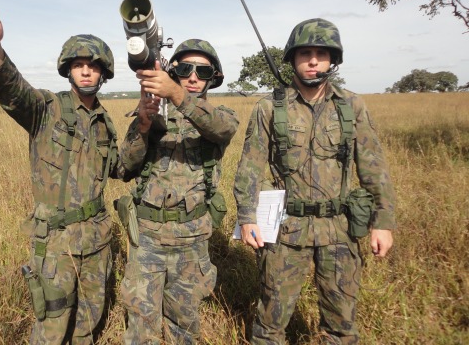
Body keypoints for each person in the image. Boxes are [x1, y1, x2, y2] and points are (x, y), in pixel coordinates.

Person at [233, 18, 396, 344]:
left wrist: (383, 222)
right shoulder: (269, 107)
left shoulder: (351, 106)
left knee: (341, 325)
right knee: (269, 323)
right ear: (292, 59)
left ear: (332, 60)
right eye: (305, 53)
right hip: (286, 230)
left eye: (321, 54)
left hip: (338, 230)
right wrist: (246, 217)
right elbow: (249, 167)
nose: (312, 60)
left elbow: (374, 167)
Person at [0, 0, 119, 345]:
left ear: (103, 74)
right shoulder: (47, 109)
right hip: (56, 244)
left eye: (93, 67)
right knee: (51, 327)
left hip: (97, 241)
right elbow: (13, 92)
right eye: (78, 65)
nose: (85, 72)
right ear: (68, 70)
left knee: (89, 322)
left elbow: (122, 168)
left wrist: (144, 125)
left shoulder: (105, 123)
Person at [116, 39, 239, 344]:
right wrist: (143, 125)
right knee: (140, 328)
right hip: (148, 239)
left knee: (184, 327)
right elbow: (125, 168)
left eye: (202, 70)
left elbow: (221, 129)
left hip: (192, 240)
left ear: (213, 77)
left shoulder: (220, 116)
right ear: (173, 71)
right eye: (185, 69)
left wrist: (176, 93)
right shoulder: (154, 116)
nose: (193, 76)